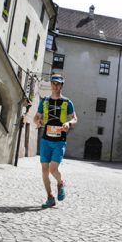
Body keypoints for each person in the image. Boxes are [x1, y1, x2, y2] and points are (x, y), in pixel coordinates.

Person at [34, 74, 77, 208]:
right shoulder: (45, 101)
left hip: (59, 141)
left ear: (62, 86)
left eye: (58, 84)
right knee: (44, 170)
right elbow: (36, 117)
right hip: (46, 140)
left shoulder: (67, 102)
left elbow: (75, 118)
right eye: (53, 83)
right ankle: (50, 197)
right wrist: (38, 121)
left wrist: (68, 124)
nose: (55, 86)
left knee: (53, 169)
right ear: (51, 85)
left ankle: (60, 182)